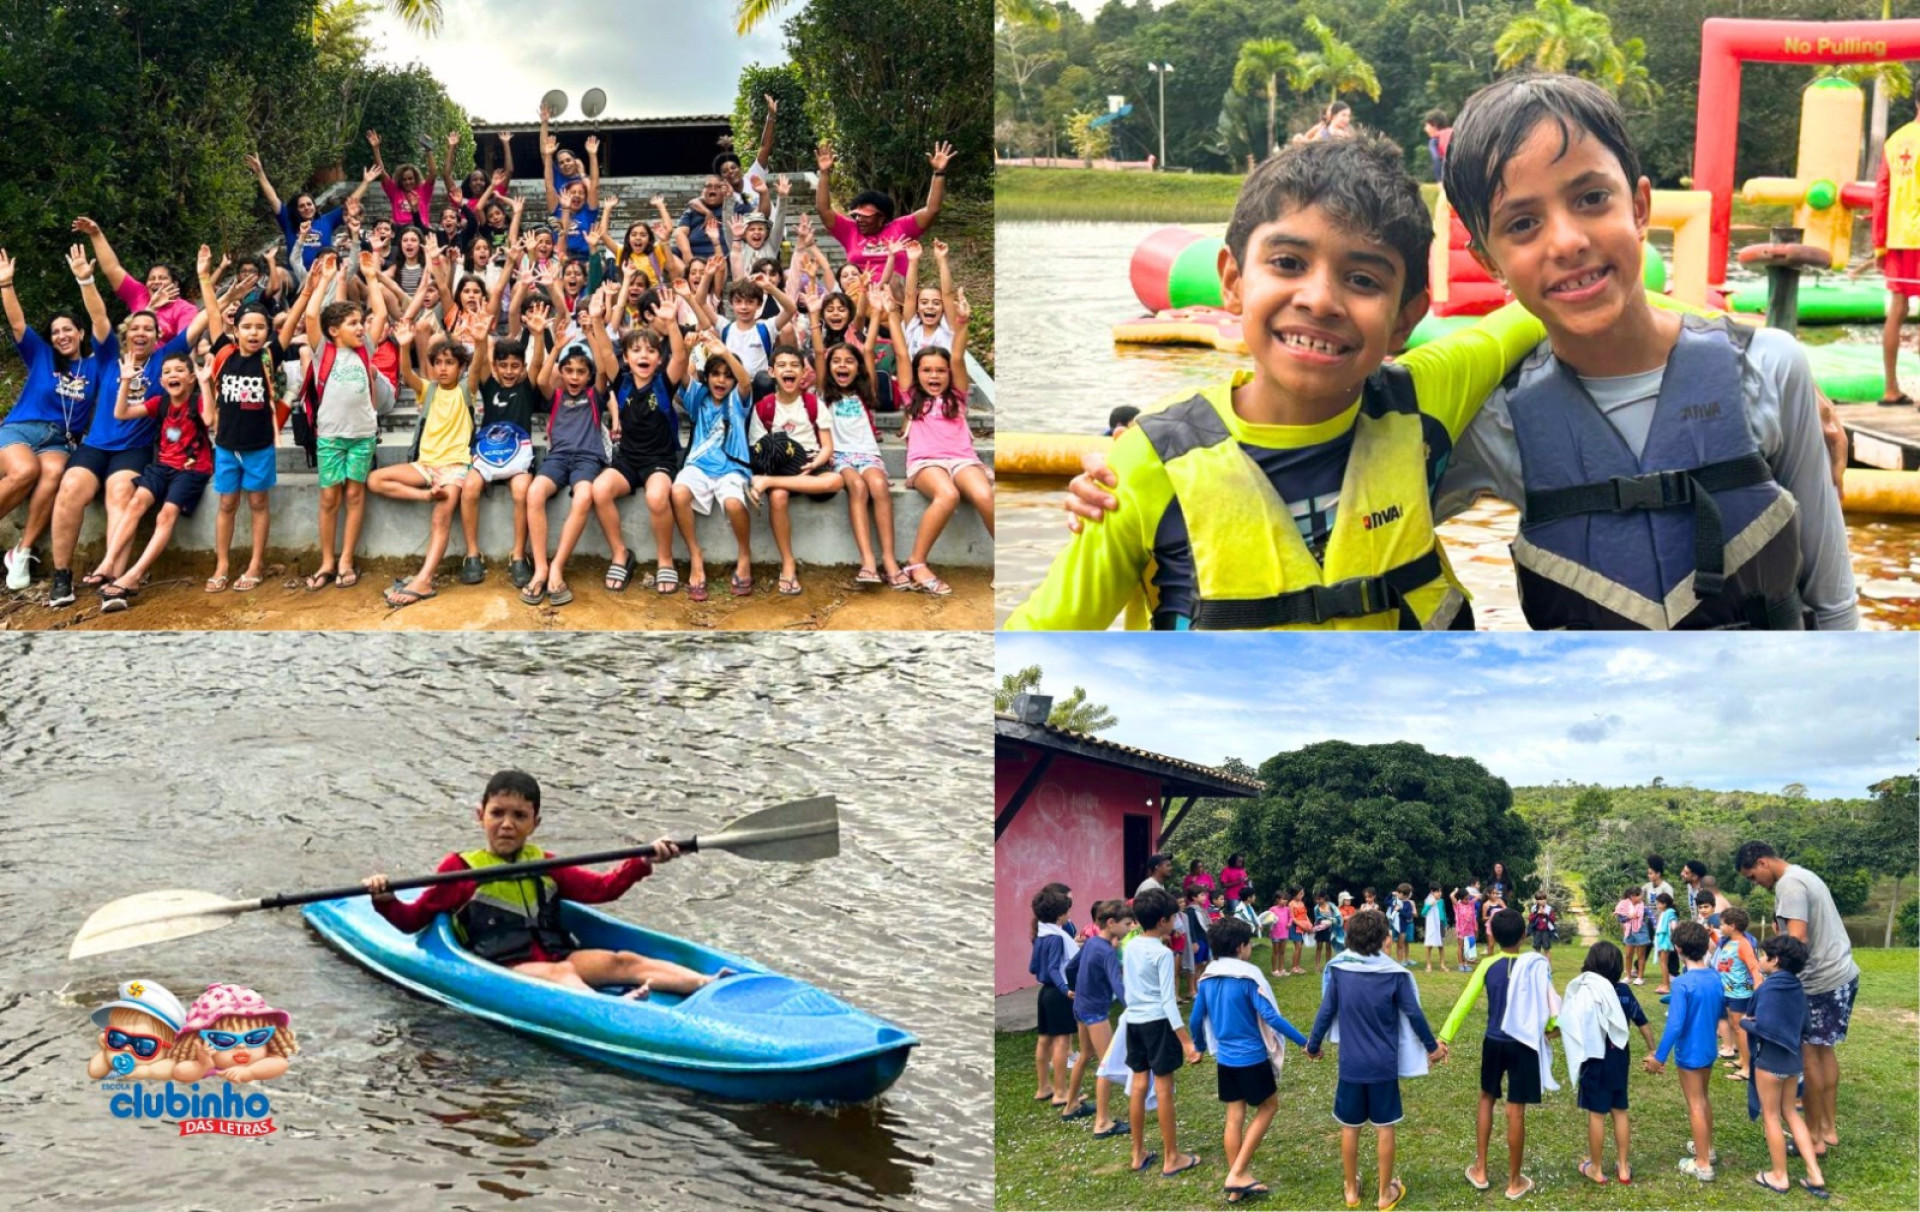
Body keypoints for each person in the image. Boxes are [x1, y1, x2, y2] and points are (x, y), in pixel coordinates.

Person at [1010, 135, 1552, 631]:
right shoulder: (1146, 464)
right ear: (1232, 281)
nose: (1319, 299)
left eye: (1363, 280)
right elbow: (1039, 641)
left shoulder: (1424, 397)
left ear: (1406, 319)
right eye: (1288, 263)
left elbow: (1540, 310)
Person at [1440, 73, 1856, 629]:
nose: (1567, 241)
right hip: (1604, 713)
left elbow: (1833, 605)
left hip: (1759, 710)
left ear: (1639, 207)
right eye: (1522, 224)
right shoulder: (1495, 423)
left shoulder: (1769, 370)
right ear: (1490, 262)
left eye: (1591, 198)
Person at [363, 770, 718, 998]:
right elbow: (411, 921)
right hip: (507, 968)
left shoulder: (547, 864)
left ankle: (705, 983)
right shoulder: (459, 869)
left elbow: (602, 889)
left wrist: (642, 862)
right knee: (560, 973)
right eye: (497, 813)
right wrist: (385, 898)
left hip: (558, 953)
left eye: (519, 816)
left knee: (621, 960)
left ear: (535, 822)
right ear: (480, 816)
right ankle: (613, 1008)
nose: (507, 824)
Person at [1306, 908, 1444, 1212]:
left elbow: (1326, 1012)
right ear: (1385, 939)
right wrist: (1432, 1048)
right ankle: (1384, 1194)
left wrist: (1313, 1045)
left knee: (1349, 1127)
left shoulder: (1340, 971)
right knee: (1385, 1128)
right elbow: (1414, 1015)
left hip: (1351, 1067)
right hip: (1383, 1067)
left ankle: (1352, 1192)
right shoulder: (1394, 974)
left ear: (1351, 939)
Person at [1735, 840, 1859, 1163]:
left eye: (1752, 876)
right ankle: (1827, 1128)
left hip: (1819, 980)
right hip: (1841, 974)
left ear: (1763, 862)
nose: (1755, 883)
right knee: (1823, 1050)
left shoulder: (1789, 885)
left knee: (1810, 1056)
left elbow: (1798, 939)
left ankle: (1816, 1137)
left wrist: (1775, 969)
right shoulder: (1803, 876)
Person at [0, 244, 110, 594]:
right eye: (56, 332)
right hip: (21, 429)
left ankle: (22, 550)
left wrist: (86, 281)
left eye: (68, 330)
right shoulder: (41, 355)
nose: (61, 335)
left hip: (59, 440)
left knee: (53, 474)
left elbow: (101, 320)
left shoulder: (95, 365)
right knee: (25, 472)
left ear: (80, 333)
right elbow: (17, 323)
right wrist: (6, 285)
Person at [1439, 908, 1560, 1201]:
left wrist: (1444, 1037)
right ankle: (1514, 1181)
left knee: (1486, 1099)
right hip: (1524, 1045)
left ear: (1491, 934)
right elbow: (1551, 1008)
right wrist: (1551, 1029)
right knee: (1515, 1110)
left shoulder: (1487, 965)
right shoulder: (1537, 966)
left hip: (1494, 1042)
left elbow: (1464, 1002)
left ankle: (1480, 1170)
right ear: (1524, 935)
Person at [1192, 917, 1310, 1204]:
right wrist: (1304, 1042)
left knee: (1234, 1118)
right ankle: (1238, 1173)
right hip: (1251, 1058)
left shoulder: (1208, 977)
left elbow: (1196, 1019)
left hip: (1226, 1060)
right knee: (1269, 1106)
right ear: (1242, 946)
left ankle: (1236, 1186)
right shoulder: (1248, 977)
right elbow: (1270, 1017)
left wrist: (1197, 1047)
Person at [880, 286, 986, 596]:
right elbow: (901, 352)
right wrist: (890, 313)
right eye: (926, 370)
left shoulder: (958, 395)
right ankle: (916, 563)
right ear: (916, 374)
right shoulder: (912, 395)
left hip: (963, 459)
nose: (935, 376)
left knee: (984, 495)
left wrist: (962, 323)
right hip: (926, 463)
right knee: (948, 495)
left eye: (940, 371)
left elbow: (956, 356)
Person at [297, 254, 393, 592]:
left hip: (363, 436)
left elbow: (380, 313)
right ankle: (326, 560)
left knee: (354, 495)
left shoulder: (366, 347)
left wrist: (371, 277)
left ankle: (347, 558)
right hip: (331, 438)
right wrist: (324, 279)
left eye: (360, 323)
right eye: (353, 323)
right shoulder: (324, 350)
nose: (361, 328)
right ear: (334, 330)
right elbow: (311, 315)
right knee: (329, 498)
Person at [94, 351, 216, 613]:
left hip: (192, 469)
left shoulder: (198, 401)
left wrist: (206, 384)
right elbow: (121, 413)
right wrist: (126, 380)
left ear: (191, 378)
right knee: (136, 502)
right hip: (162, 466)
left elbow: (209, 420)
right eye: (168, 372)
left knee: (166, 514)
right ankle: (108, 562)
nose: (173, 375)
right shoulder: (159, 403)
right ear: (161, 381)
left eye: (180, 370)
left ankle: (134, 574)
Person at [367, 321, 476, 609]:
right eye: (438, 363)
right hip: (425, 465)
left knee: (441, 519)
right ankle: (426, 495)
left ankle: (425, 580)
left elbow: (479, 370)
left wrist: (481, 339)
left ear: (461, 368)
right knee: (375, 480)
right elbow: (405, 373)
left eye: (450, 363)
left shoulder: (466, 390)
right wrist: (404, 346)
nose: (443, 368)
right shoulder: (428, 390)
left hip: (454, 467)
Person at [523, 290, 619, 607]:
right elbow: (539, 378)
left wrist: (592, 329)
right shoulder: (556, 395)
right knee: (534, 492)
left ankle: (557, 567)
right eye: (570, 371)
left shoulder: (595, 395)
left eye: (581, 372)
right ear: (562, 373)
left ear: (588, 376)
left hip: (588, 460)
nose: (575, 376)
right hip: (558, 458)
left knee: (585, 495)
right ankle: (540, 568)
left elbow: (605, 368)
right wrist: (557, 348)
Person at [194, 247, 279, 595]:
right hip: (227, 446)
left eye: (260, 327)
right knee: (227, 504)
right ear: (236, 329)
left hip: (259, 446)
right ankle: (223, 564)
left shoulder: (270, 356)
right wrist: (204, 276)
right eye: (247, 326)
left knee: (258, 503)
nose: (254, 332)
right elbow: (213, 311)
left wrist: (313, 286)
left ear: (268, 331)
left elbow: (303, 312)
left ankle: (256, 564)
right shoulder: (224, 351)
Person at [591, 305, 687, 595]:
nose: (643, 356)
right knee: (600, 489)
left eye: (650, 351)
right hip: (628, 459)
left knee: (658, 497)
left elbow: (681, 356)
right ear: (627, 358)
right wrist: (596, 318)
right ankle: (620, 553)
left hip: (660, 460)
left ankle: (665, 559)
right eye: (636, 351)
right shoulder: (621, 382)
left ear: (659, 359)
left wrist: (671, 324)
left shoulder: (664, 383)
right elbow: (605, 353)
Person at [1117, 887, 1201, 1178]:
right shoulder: (1163, 954)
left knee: (1139, 1086)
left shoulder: (1130, 946)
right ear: (1164, 920)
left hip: (1134, 1022)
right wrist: (1187, 1041)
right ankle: (1171, 1157)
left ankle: (1137, 1153)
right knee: (1164, 1089)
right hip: (1156, 1024)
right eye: (1174, 918)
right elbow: (1168, 1001)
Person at [746, 345, 843, 596]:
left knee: (835, 481)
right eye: (782, 365)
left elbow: (828, 447)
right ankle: (787, 563)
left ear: (803, 372)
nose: (788, 370)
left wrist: (814, 463)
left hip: (812, 463)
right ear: (771, 372)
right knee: (778, 497)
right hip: (782, 467)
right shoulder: (764, 407)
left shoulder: (813, 403)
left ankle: (766, 483)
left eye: (794, 365)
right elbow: (759, 449)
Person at [1559, 940, 1656, 1186]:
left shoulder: (1587, 992)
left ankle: (1597, 1168)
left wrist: (1547, 1035)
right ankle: (1624, 1168)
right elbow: (1642, 1022)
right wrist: (1653, 1050)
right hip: (1619, 1059)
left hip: (1595, 1060)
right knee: (1620, 1111)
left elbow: (1570, 1023)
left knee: (1597, 1114)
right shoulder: (1624, 992)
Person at [671, 333, 756, 601]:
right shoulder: (699, 398)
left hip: (732, 468)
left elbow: (745, 381)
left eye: (726, 375)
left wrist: (725, 351)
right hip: (698, 466)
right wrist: (686, 348)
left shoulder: (737, 401)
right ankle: (696, 555)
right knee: (678, 492)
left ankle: (745, 555)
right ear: (707, 377)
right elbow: (684, 376)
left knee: (733, 504)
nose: (721, 380)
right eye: (716, 374)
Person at [1743, 934, 1829, 1198]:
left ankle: (1779, 1176)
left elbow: (1764, 1025)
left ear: (1775, 959)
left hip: (1770, 1062)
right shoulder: (1798, 989)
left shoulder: (1767, 989)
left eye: (1762, 954)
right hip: (1794, 1061)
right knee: (1791, 1112)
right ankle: (1814, 1173)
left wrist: (1746, 1023)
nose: (1759, 959)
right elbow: (1806, 1027)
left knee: (1771, 1116)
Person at [463, 322, 546, 589]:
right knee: (469, 487)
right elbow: (478, 368)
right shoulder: (488, 384)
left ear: (521, 367)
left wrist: (537, 334)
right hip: (487, 452)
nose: (509, 371)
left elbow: (537, 362)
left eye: (515, 366)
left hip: (519, 455)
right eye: (504, 365)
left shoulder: (526, 386)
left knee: (522, 490)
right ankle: (472, 553)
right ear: (496, 366)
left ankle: (519, 554)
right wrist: (479, 341)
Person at [1644, 919, 1724, 1182]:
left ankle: (1702, 1164)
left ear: (1677, 948)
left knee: (1696, 1104)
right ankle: (1707, 1150)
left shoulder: (1682, 984)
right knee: (1704, 1098)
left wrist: (1658, 1057)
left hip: (1690, 1053)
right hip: (1709, 1050)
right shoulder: (1714, 977)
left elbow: (1675, 1025)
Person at [814, 140, 955, 284]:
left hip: (895, 297)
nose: (859, 220)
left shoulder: (901, 228)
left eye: (866, 216)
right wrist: (824, 173)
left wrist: (939, 173)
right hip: (860, 296)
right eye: (857, 215)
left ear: (881, 217)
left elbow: (932, 210)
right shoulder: (850, 231)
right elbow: (823, 209)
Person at [1864, 94, 1920, 405]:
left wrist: (1879, 244)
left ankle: (1891, 388)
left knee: (1897, 311)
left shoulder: (1895, 141)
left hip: (1899, 238)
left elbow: (1881, 195)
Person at [1062, 899, 1132, 1134]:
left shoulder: (1091, 943)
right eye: (1126, 923)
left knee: (1086, 1055)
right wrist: (1132, 1008)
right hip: (1095, 1012)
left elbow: (1071, 968)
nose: (1130, 928)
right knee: (1107, 1064)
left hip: (1081, 1007)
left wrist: (1078, 989)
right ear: (1111, 923)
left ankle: (1071, 1105)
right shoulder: (1106, 951)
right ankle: (1103, 1123)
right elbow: (1118, 985)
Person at [1028, 884, 1078, 1110]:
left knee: (1044, 1039)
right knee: (1061, 1041)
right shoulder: (1057, 938)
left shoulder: (1041, 935)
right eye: (1068, 911)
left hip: (1044, 993)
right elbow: (1055, 967)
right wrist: (1065, 988)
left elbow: (1034, 967)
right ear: (1060, 916)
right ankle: (1060, 1092)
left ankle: (1043, 1087)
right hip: (1058, 993)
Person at [1714, 905, 1762, 1084]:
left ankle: (1748, 1068)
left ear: (1733, 926)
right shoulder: (1728, 942)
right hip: (1728, 992)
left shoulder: (1743, 944)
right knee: (1734, 1026)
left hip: (1740, 994)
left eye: (1723, 924)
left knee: (1740, 1028)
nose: (1721, 927)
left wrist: (1758, 984)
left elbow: (1754, 966)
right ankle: (1742, 1059)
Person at [1616, 887, 1649, 984]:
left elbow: (1650, 918)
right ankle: (1628, 976)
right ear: (1632, 896)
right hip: (1629, 931)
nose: (1641, 897)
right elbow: (1620, 918)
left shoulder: (1643, 907)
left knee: (1641, 955)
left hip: (1641, 931)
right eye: (1639, 895)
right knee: (1628, 954)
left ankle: (1640, 977)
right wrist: (1628, 917)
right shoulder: (1624, 905)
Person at [1651, 891, 1679, 994]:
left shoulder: (1670, 913)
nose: (1657, 905)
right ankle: (1664, 983)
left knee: (1663, 963)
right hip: (1661, 940)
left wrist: (1675, 937)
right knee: (1662, 963)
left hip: (1665, 941)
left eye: (1659, 903)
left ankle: (1666, 986)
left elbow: (1673, 926)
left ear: (1665, 904)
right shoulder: (1664, 913)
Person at [1422, 109, 1452, 183]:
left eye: (1426, 125)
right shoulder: (1454, 132)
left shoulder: (1434, 141)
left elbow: (1436, 158)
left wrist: (1440, 181)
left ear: (1434, 125)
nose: (1425, 129)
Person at [1421, 884, 1446, 972]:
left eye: (1440, 891)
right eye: (1437, 891)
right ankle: (1428, 965)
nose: (1440, 893)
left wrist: (1445, 924)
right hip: (1432, 925)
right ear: (1432, 892)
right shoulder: (1428, 901)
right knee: (1429, 945)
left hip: (1440, 923)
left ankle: (1442, 965)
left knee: (1441, 945)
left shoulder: (1441, 901)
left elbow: (1443, 913)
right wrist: (1429, 905)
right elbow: (1423, 913)